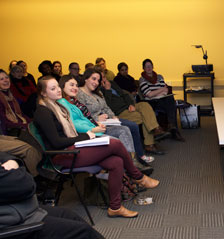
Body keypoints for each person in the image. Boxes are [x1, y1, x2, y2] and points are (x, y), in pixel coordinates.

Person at [33, 75, 159, 218]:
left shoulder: (57, 106)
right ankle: (138, 177)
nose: (58, 90)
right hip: (61, 155)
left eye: (57, 86)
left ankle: (115, 207)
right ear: (43, 93)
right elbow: (56, 142)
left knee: (116, 162)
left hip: (72, 148)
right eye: (52, 88)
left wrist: (85, 136)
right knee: (115, 143)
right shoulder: (43, 112)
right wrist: (86, 136)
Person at [57, 75, 155, 170]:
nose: (75, 88)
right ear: (62, 86)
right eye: (71, 85)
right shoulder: (64, 102)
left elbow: (88, 116)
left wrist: (99, 122)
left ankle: (133, 162)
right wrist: (93, 127)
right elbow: (73, 123)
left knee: (125, 129)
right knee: (118, 140)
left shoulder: (74, 101)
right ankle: (131, 166)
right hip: (87, 134)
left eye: (76, 85)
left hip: (97, 126)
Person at [0, 152, 104, 239]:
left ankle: (115, 206)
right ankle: (115, 206)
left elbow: (5, 155)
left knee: (68, 214)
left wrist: (13, 162)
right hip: (11, 223)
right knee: (83, 232)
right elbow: (26, 184)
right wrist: (15, 166)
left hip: (21, 208)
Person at [78, 68, 167, 155]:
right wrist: (108, 90)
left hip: (126, 107)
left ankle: (155, 130)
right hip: (119, 111)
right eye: (95, 79)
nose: (99, 81)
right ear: (86, 78)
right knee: (144, 118)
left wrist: (130, 104)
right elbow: (109, 105)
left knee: (145, 105)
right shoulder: (99, 89)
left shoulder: (109, 85)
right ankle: (149, 143)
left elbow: (123, 94)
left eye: (102, 78)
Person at [139, 58, 184, 141]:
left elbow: (166, 90)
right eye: (147, 67)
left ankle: (172, 126)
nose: (149, 68)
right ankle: (173, 129)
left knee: (170, 99)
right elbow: (149, 94)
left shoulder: (159, 77)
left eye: (150, 66)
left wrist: (156, 93)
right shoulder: (142, 79)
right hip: (151, 102)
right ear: (144, 68)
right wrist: (160, 90)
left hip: (161, 99)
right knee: (170, 102)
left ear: (153, 66)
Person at [0, 69, 31, 135]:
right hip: (11, 131)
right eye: (1, 79)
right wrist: (24, 125)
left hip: (20, 126)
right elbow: (4, 121)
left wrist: (31, 123)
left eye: (6, 77)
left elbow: (21, 115)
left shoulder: (11, 95)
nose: (6, 80)